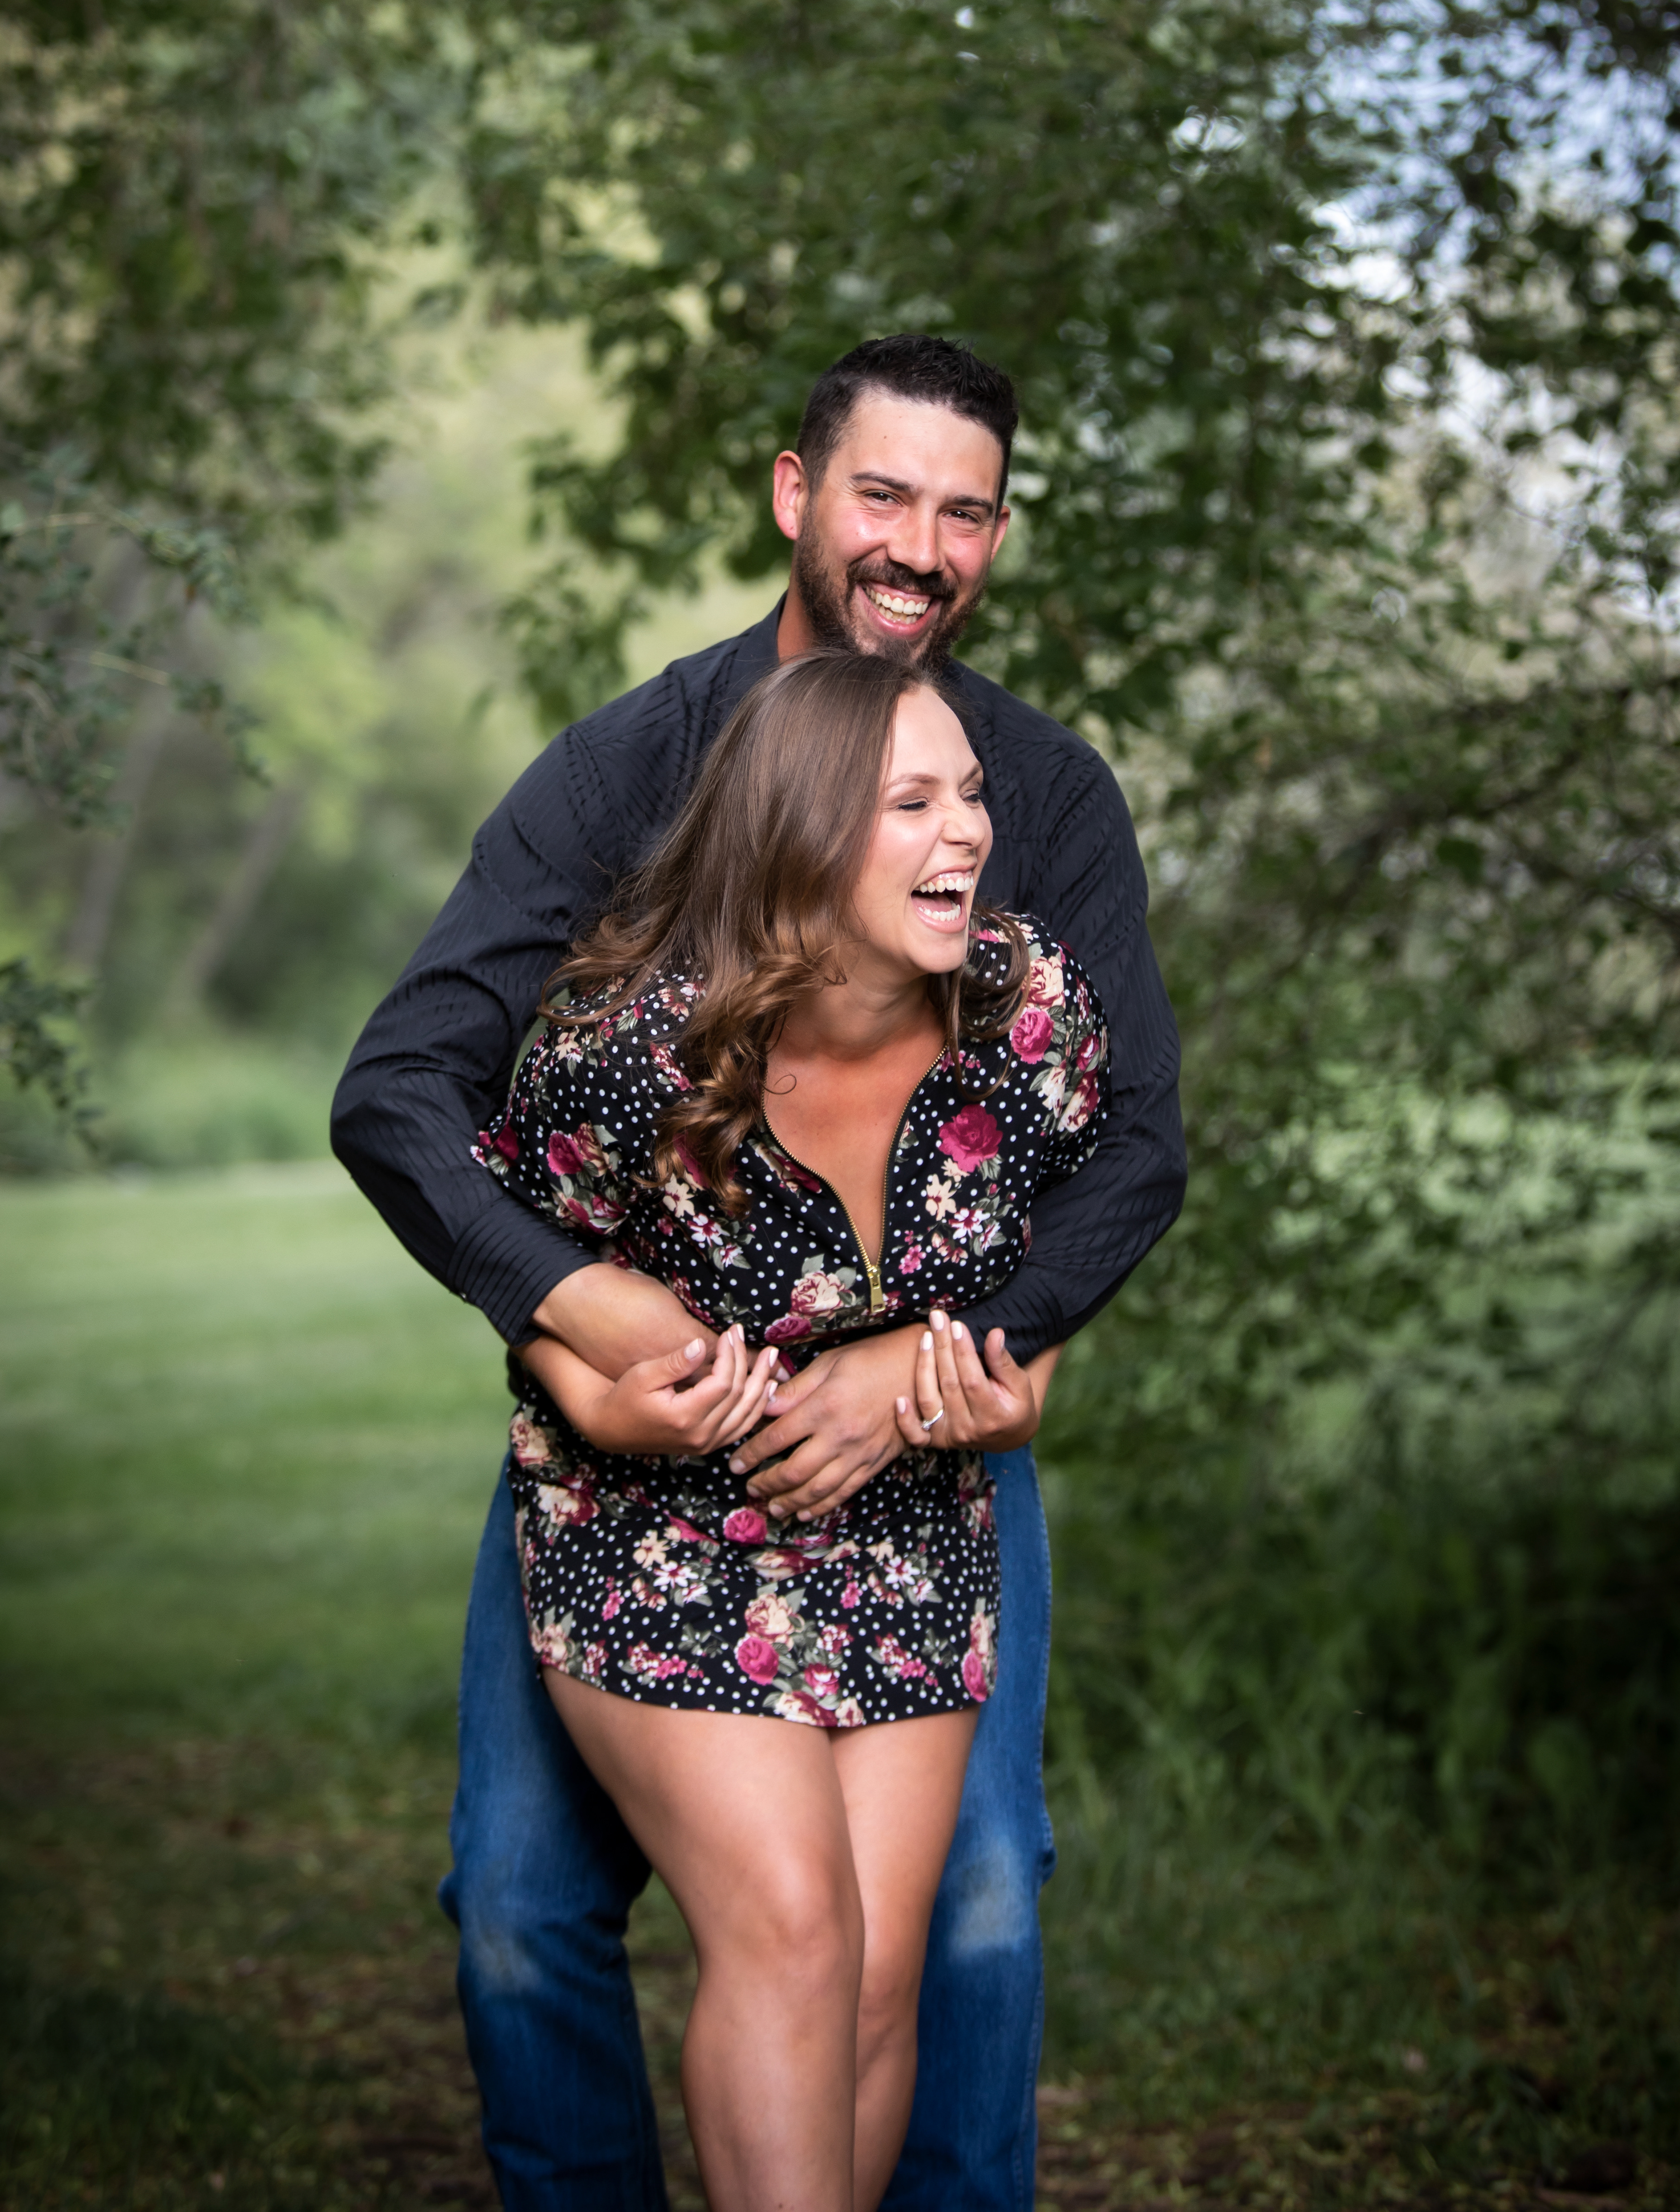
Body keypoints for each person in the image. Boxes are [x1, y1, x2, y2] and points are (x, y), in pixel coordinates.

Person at [332, 333, 1186, 2211]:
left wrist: (981, 1341)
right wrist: (570, 1310)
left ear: (997, 540)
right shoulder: (635, 768)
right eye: (884, 493)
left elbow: (1130, 1141)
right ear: (797, 495)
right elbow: (405, 1089)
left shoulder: (1038, 791)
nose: (919, 544)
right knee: (516, 1900)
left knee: (964, 1898)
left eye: (964, 512)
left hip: (920, 1453)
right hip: (654, 1444)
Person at [481, 648, 1107, 2210]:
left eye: (969, 793)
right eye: (912, 802)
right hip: (657, 1527)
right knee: (794, 1923)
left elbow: (1058, 1266)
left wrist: (1010, 1383)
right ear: (802, 831)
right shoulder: (632, 1045)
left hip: (906, 1525)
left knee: (882, 1972)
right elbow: (524, 1270)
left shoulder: (1025, 1017)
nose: (965, 830)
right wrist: (587, 1385)